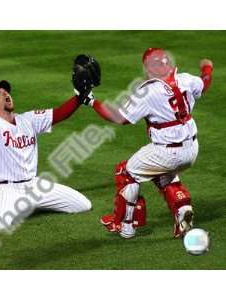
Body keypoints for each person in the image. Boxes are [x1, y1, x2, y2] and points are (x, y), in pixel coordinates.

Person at [81, 48, 213, 239]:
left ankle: (124, 226)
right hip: (192, 149)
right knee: (161, 173)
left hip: (168, 152)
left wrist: (91, 101)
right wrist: (207, 67)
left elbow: (119, 118)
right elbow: (205, 82)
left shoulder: (148, 92)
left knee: (125, 172)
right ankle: (183, 209)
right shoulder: (186, 79)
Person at [0, 61, 92, 230]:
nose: (7, 94)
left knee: (83, 205)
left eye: (7, 91)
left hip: (33, 186)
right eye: (1, 93)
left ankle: (29, 204)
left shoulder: (28, 119)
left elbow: (59, 114)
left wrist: (80, 97)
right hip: (6, 189)